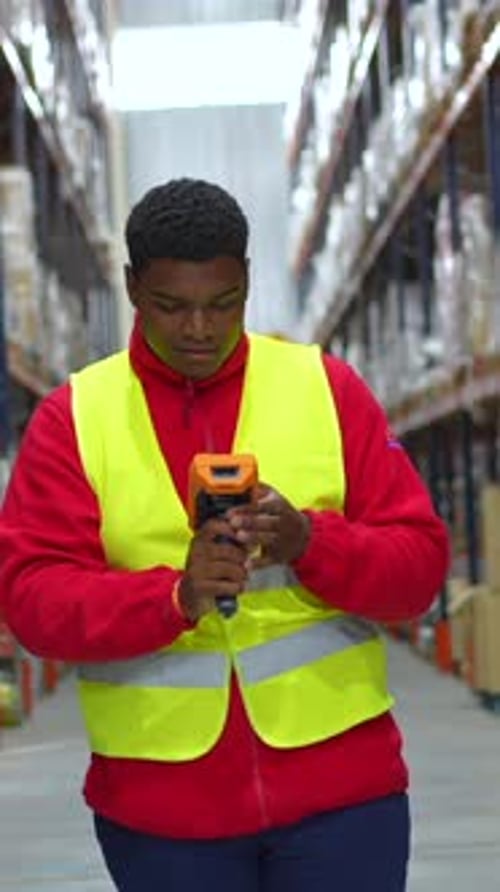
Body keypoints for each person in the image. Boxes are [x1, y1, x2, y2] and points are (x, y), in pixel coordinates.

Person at [0, 178, 449, 891]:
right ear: (131, 289)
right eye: (171, 308)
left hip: (343, 801)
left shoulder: (325, 389)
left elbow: (420, 568)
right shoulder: (73, 420)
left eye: (223, 305)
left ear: (247, 282)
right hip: (163, 817)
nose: (200, 331)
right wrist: (174, 598)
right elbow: (32, 602)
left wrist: (313, 544)